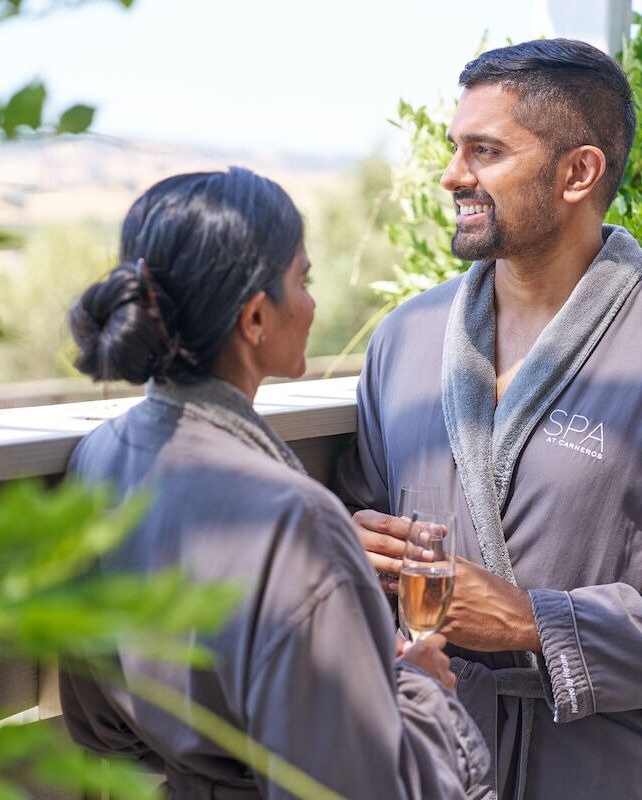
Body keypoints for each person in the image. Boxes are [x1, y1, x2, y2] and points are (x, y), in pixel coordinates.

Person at [58, 168, 488, 799]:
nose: (312, 303)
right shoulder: (295, 519)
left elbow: (98, 722)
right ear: (256, 318)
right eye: (303, 280)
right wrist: (418, 688)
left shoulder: (98, 460)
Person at [335, 39, 642, 800]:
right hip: (434, 761)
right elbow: (358, 508)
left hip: (600, 767)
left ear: (578, 173)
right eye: (454, 147)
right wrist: (351, 543)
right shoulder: (406, 338)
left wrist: (531, 620)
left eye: (486, 150)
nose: (452, 175)